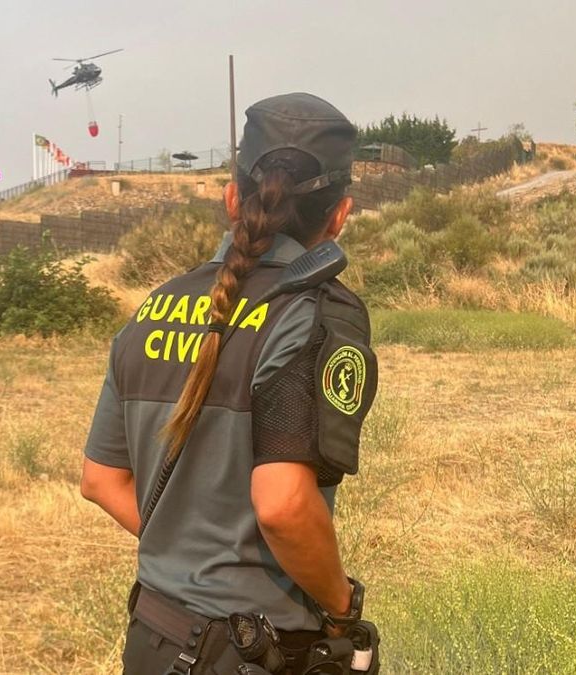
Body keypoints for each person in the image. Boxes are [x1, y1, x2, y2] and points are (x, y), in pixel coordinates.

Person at [80, 92, 379, 674]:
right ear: (340, 215)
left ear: (231, 199)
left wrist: (187, 554)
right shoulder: (316, 316)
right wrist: (343, 609)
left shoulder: (152, 308)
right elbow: (285, 505)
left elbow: (99, 479)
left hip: (153, 637)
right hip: (255, 653)